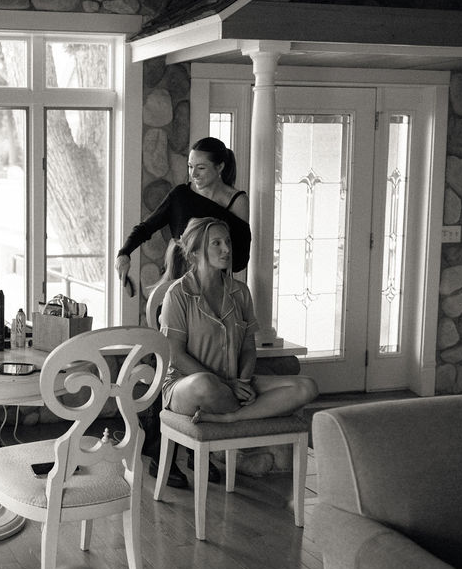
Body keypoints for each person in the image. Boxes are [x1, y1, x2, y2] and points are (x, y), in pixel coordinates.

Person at [161, 217, 317, 424]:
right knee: (204, 383)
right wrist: (227, 384)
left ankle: (231, 417)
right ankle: (254, 415)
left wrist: (242, 382)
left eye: (228, 242)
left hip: (235, 382)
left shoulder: (240, 292)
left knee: (307, 387)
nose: (226, 249)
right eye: (216, 243)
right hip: (187, 386)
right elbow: (176, 355)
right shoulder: (177, 294)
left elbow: (248, 348)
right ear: (195, 252)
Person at [116, 137, 251, 292]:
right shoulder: (180, 195)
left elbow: (240, 260)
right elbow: (146, 227)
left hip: (215, 289)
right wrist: (124, 253)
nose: (193, 174)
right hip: (176, 281)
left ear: (219, 167)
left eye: (201, 168)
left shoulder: (238, 201)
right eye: (190, 166)